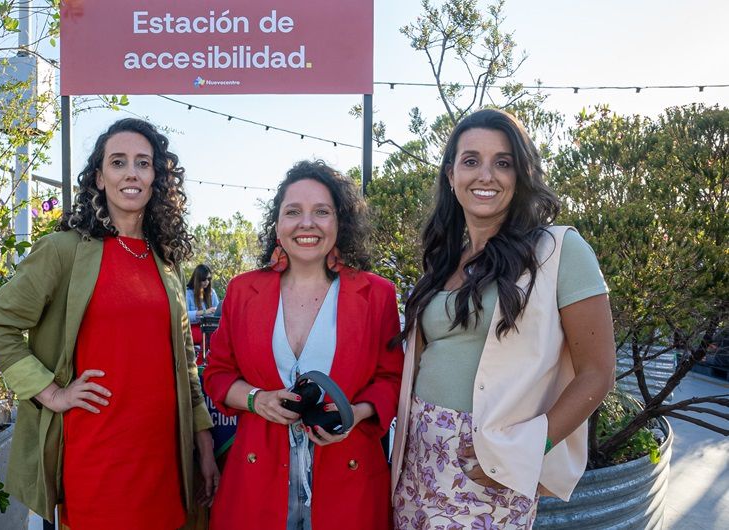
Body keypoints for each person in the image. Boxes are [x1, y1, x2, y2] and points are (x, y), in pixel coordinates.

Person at [0, 118, 218, 530]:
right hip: (97, 454)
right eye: (118, 162)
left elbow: (186, 358)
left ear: (156, 178)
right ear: (99, 177)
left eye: (143, 163)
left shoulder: (165, 260)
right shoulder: (63, 251)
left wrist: (203, 438)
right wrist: (51, 394)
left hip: (164, 457)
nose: (131, 173)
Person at [390, 109, 616, 529]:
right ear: (450, 174)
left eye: (503, 162)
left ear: (521, 174)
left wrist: (527, 449)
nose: (486, 175)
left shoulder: (558, 251)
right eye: (471, 160)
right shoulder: (445, 261)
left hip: (490, 465)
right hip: (416, 459)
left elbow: (597, 373)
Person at [203, 160, 404, 530]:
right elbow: (217, 374)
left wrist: (353, 414)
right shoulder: (242, 291)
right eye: (293, 212)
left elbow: (392, 379)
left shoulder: (377, 295)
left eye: (321, 212)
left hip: (350, 481)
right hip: (255, 484)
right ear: (277, 225)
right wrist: (256, 399)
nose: (306, 223)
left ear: (339, 222)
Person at [186, 263, 220, 351]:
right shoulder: (188, 293)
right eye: (204, 279)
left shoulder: (211, 292)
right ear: (197, 279)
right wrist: (205, 312)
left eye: (209, 279)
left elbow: (217, 311)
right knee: (208, 336)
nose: (207, 282)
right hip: (193, 329)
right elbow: (184, 315)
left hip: (210, 327)